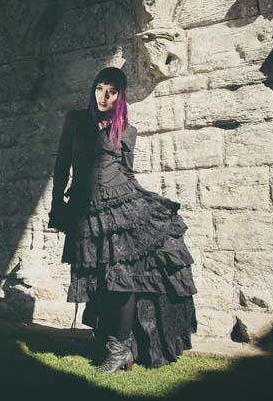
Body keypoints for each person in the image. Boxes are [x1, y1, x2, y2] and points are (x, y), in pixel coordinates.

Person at [48, 67, 197, 373]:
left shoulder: (126, 130)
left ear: (120, 96)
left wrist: (147, 204)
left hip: (121, 210)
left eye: (111, 91)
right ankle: (111, 341)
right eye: (99, 88)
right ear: (93, 89)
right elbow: (62, 166)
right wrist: (56, 205)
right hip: (85, 211)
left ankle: (121, 349)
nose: (103, 96)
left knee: (122, 279)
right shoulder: (75, 121)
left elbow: (127, 172)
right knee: (101, 279)